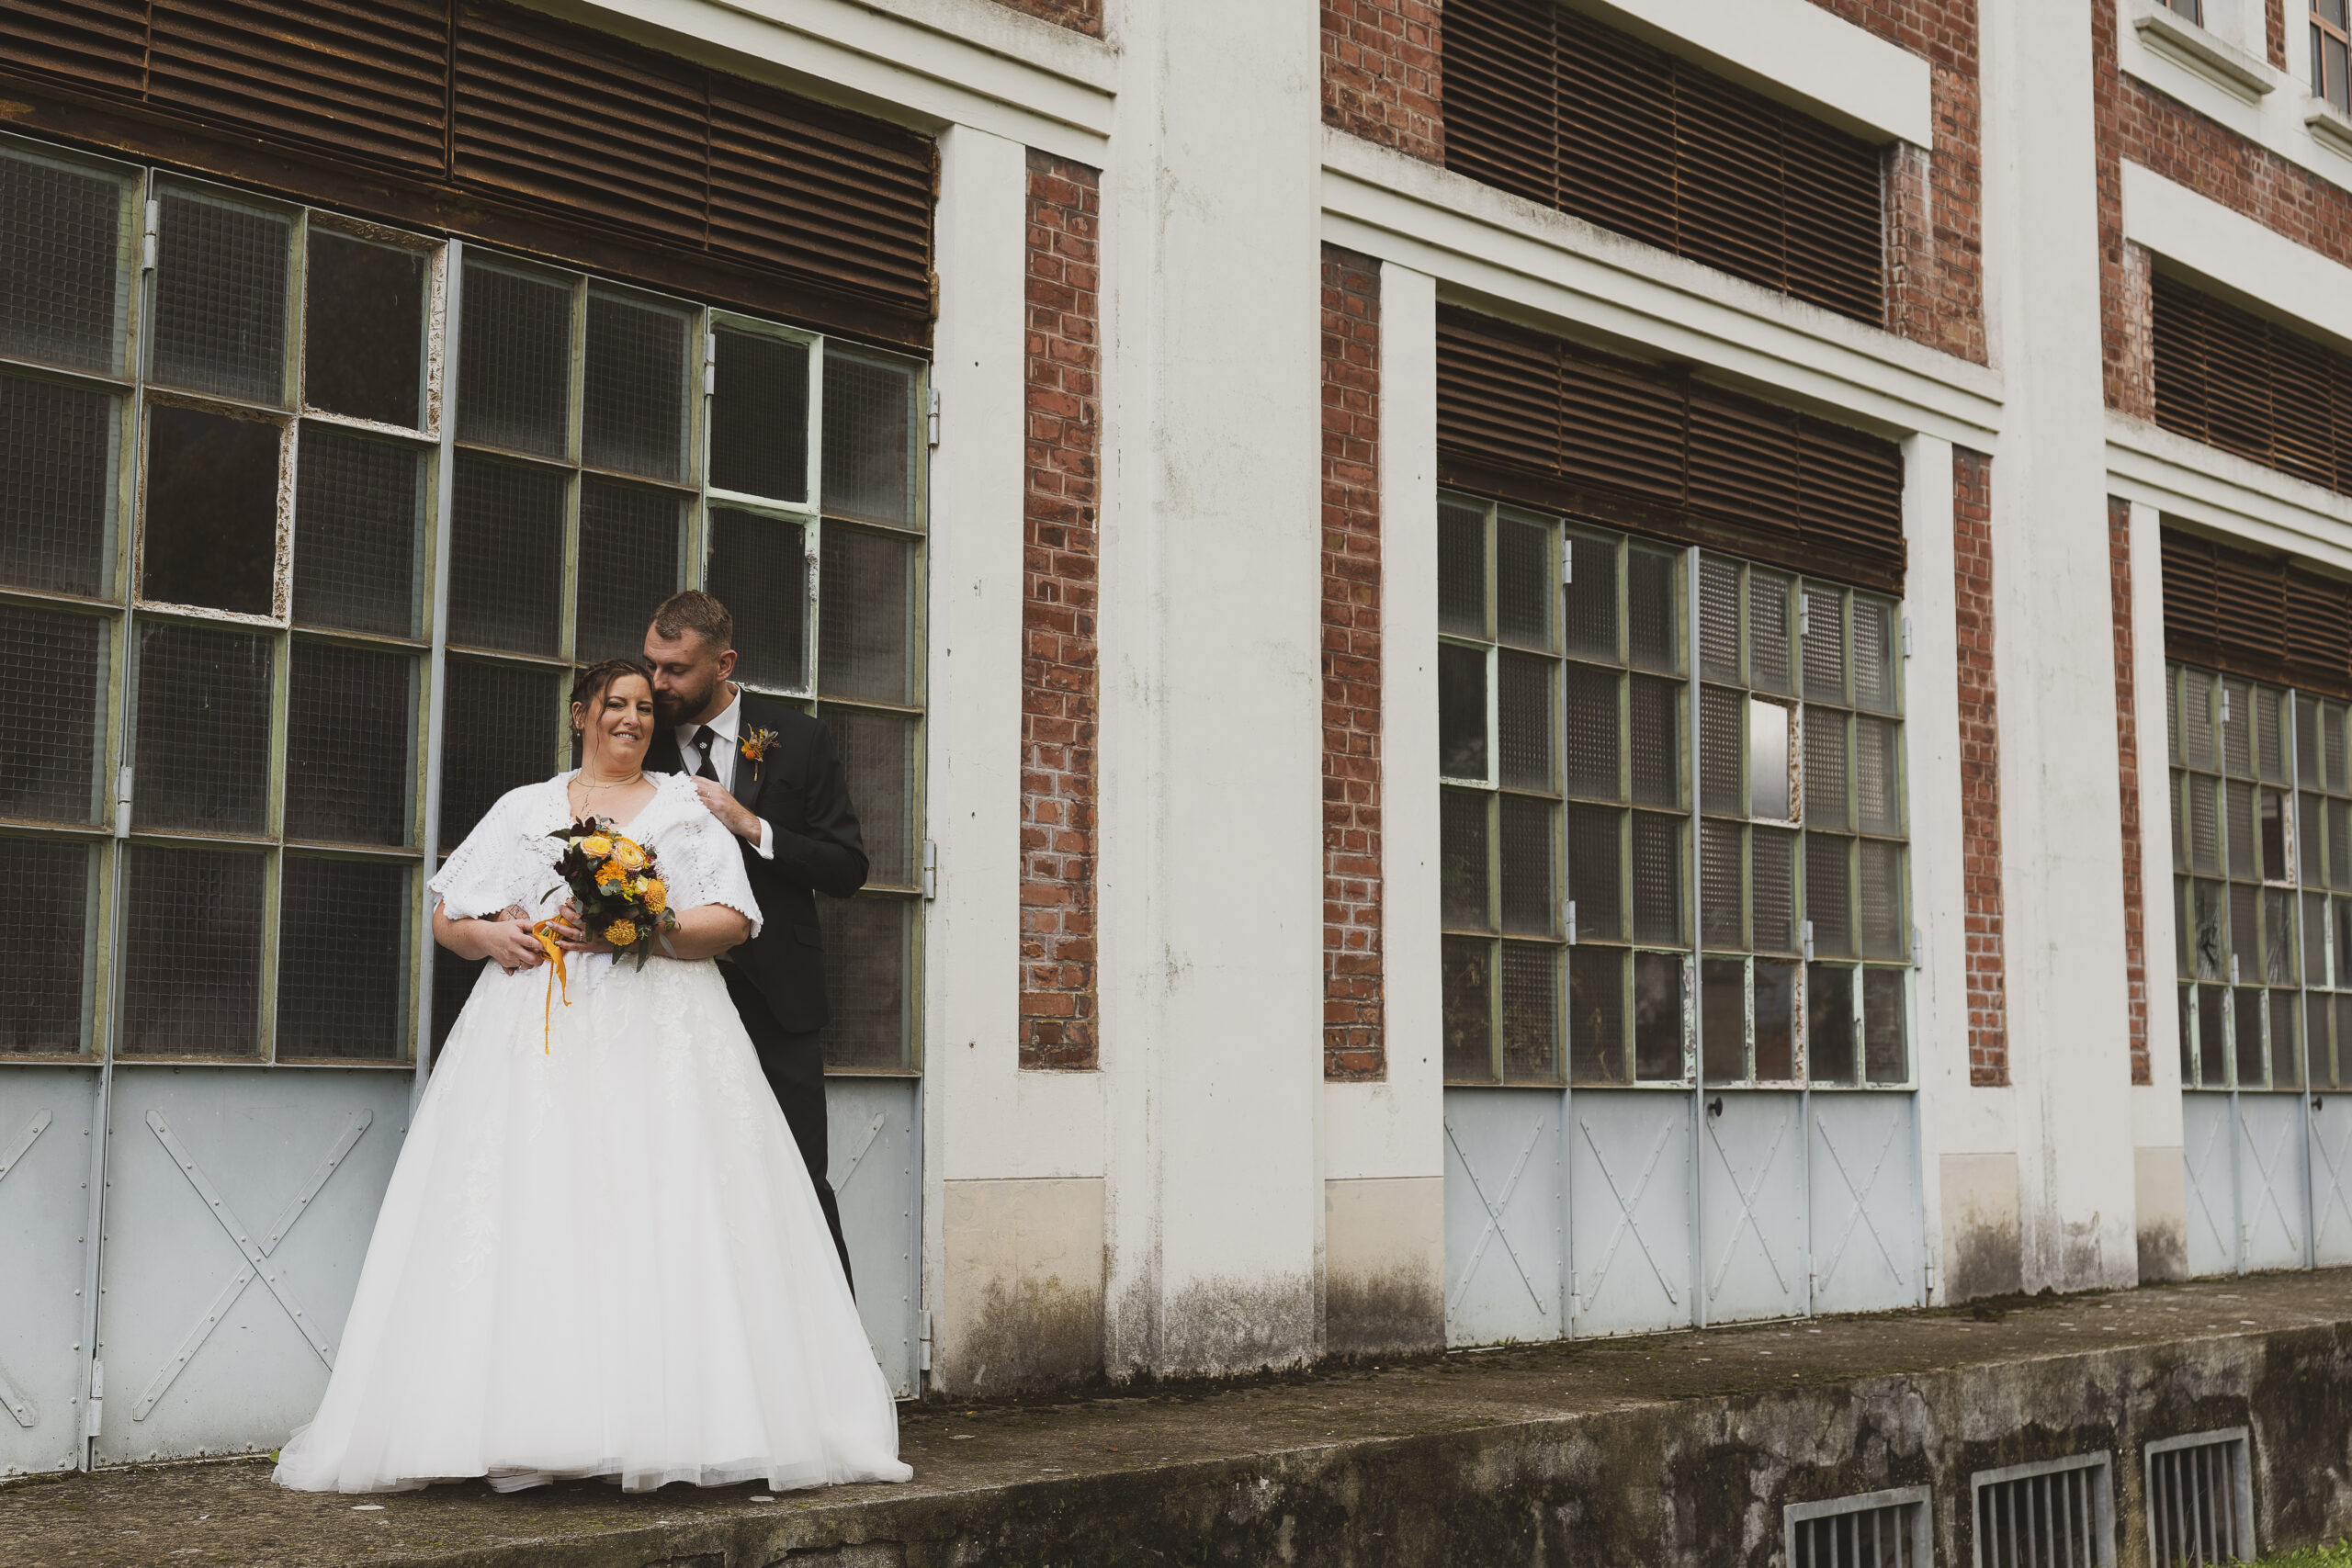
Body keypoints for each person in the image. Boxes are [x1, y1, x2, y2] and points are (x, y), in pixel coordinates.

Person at [273, 659, 910, 1495]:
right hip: (532, 1040)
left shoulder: (685, 807)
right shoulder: (526, 806)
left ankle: (680, 1420)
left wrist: (644, 929)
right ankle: (527, 1423)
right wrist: (488, 940)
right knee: (537, 1205)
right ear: (582, 713)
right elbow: (448, 909)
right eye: (616, 704)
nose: (632, 719)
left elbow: (733, 918)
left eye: (646, 708)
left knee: (661, 1205)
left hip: (666, 1033)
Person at [640, 592, 866, 1286]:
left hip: (780, 1001)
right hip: (664, 995)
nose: (657, 685)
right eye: (652, 665)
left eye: (676, 669)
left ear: (724, 662)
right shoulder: (635, 736)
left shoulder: (796, 738)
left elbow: (847, 866)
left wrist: (752, 824)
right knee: (671, 1180)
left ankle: (836, 1372)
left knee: (798, 1178)